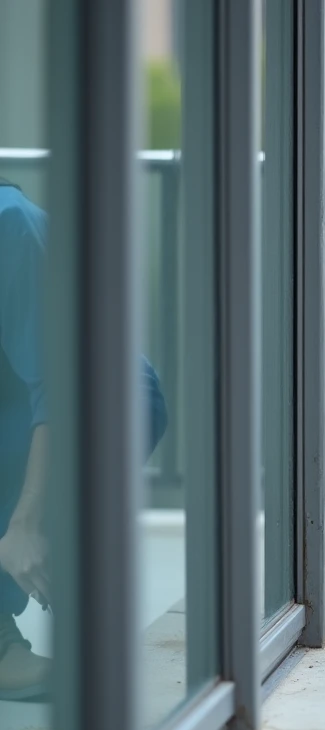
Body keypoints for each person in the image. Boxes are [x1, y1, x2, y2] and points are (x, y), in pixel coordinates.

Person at [0, 178, 168, 701]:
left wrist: (25, 524)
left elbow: (58, 386)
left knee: (30, 522)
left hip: (100, 399)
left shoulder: (10, 226)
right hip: (20, 394)